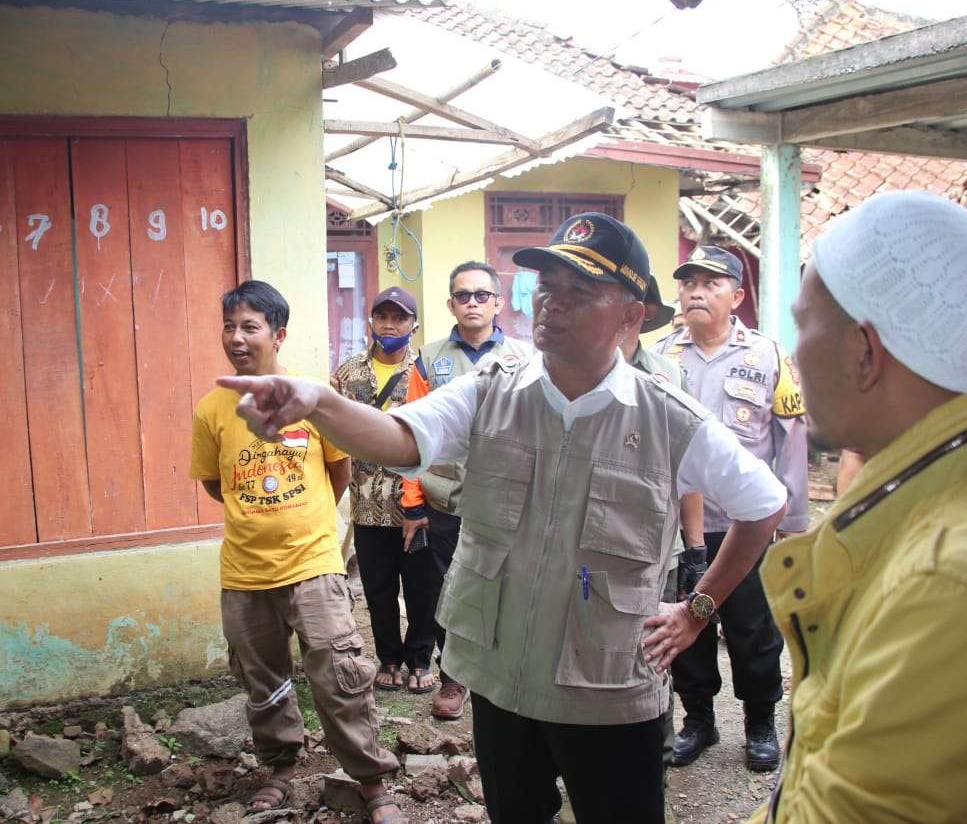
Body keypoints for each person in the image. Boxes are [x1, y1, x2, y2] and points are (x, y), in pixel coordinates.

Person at [217, 213, 789, 824]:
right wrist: (322, 403)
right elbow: (399, 438)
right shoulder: (493, 388)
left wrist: (699, 609)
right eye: (546, 288)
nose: (552, 304)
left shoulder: (667, 417)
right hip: (501, 678)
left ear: (631, 313)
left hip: (606, 688)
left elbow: (765, 505)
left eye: (578, 292)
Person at [749, 191, 967, 823]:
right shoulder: (964, 498)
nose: (793, 355)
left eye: (803, 325)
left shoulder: (947, 579)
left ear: (865, 352)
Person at [189, 280, 403, 823]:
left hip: (312, 564)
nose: (236, 338)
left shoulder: (308, 399)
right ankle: (280, 769)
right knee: (263, 681)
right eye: (229, 326)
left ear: (277, 334)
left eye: (249, 326)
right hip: (244, 571)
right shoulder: (211, 409)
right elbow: (217, 484)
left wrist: (302, 521)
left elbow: (340, 470)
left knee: (340, 673)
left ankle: (374, 782)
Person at [653, 246, 809, 771]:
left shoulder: (768, 355)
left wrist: (793, 521)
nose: (696, 291)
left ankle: (760, 721)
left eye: (711, 283)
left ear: (737, 296)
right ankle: (699, 719)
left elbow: (791, 439)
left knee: (751, 626)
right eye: (689, 281)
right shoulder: (660, 357)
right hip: (679, 528)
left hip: (748, 525)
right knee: (683, 623)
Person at [398, 260, 532, 719]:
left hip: (508, 501)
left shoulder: (526, 358)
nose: (472, 303)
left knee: (510, 586)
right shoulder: (428, 359)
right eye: (462, 296)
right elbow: (412, 435)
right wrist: (413, 507)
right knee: (446, 590)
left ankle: (502, 673)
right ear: (450, 304)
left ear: (497, 302)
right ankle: (454, 677)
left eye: (481, 295)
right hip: (445, 500)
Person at [331, 286, 436, 695]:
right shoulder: (348, 373)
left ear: (414, 324)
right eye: (382, 317)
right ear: (371, 321)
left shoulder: (425, 371)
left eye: (400, 318)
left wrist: (425, 498)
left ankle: (420, 659)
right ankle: (389, 658)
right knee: (378, 588)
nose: (390, 325)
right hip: (367, 505)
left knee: (422, 588)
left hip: (417, 502)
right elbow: (333, 431)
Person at [620, 276, 706, 767]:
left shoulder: (668, 375)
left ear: (640, 314)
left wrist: (695, 549)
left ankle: (655, 754)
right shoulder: (569, 372)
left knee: (652, 652)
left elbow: (688, 469)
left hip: (656, 547)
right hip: (588, 548)